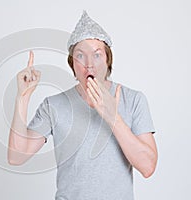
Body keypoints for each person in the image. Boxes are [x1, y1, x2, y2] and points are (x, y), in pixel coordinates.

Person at [8, 10, 158, 200]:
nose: (89, 65)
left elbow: (148, 167)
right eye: (80, 55)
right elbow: (16, 157)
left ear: (107, 59)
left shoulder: (133, 100)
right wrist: (22, 97)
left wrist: (113, 118)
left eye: (96, 55)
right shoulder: (53, 106)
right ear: (72, 63)